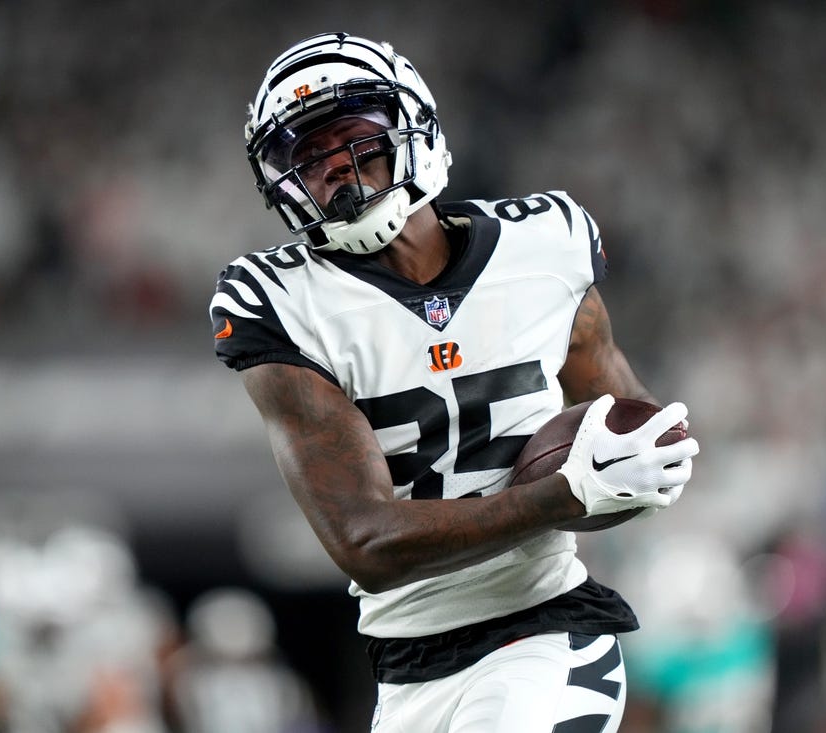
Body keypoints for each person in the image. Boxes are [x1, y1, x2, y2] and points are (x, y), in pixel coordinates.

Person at [209, 32, 699, 732]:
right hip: (407, 666)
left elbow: (635, 441)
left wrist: (640, 470)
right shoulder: (278, 302)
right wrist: (559, 495)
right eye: (308, 158)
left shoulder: (545, 248)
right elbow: (365, 541)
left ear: (416, 131)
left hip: (544, 629)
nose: (336, 171)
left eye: (356, 139)